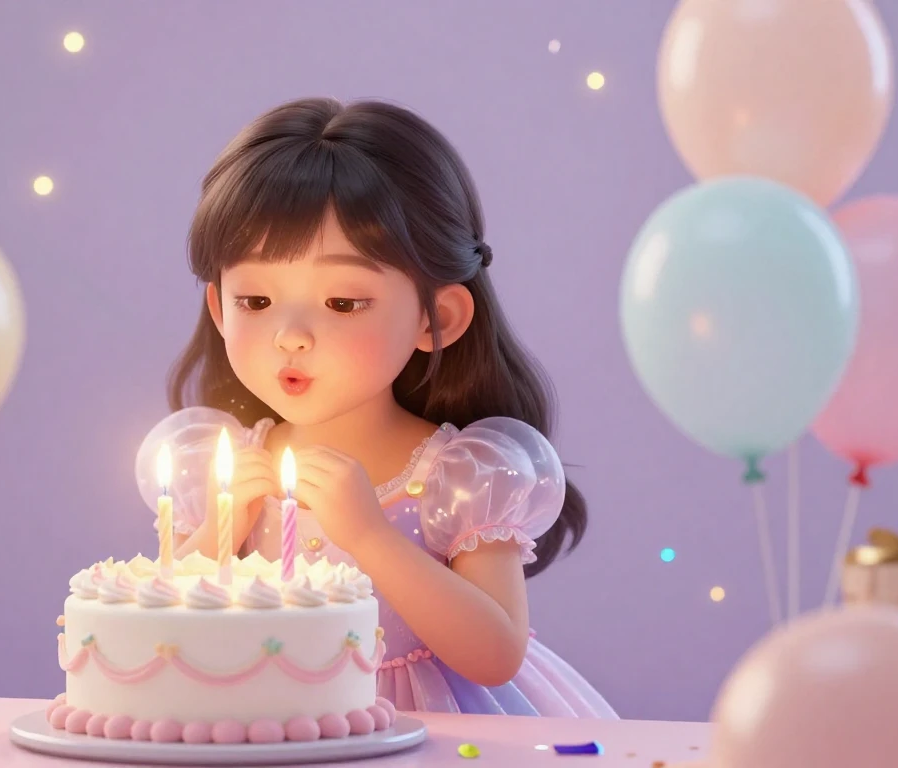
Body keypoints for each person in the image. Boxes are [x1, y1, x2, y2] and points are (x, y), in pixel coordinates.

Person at [135, 97, 615, 717]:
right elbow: (148, 633)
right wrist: (214, 537)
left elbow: (496, 653)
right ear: (219, 308)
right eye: (255, 300)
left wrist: (369, 534)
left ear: (435, 317)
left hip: (425, 729)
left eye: (342, 303)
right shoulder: (221, 467)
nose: (291, 335)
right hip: (260, 721)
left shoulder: (459, 475)